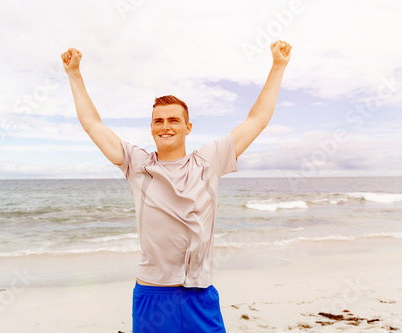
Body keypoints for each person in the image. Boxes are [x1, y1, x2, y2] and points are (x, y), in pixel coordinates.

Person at [61, 40, 292, 332]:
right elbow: (93, 124)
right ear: (151, 127)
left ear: (187, 127)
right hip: (153, 294)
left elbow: (257, 119)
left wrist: (278, 66)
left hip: (199, 294)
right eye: (158, 121)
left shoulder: (209, 160)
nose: (165, 126)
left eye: (173, 120)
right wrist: (74, 74)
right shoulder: (137, 164)